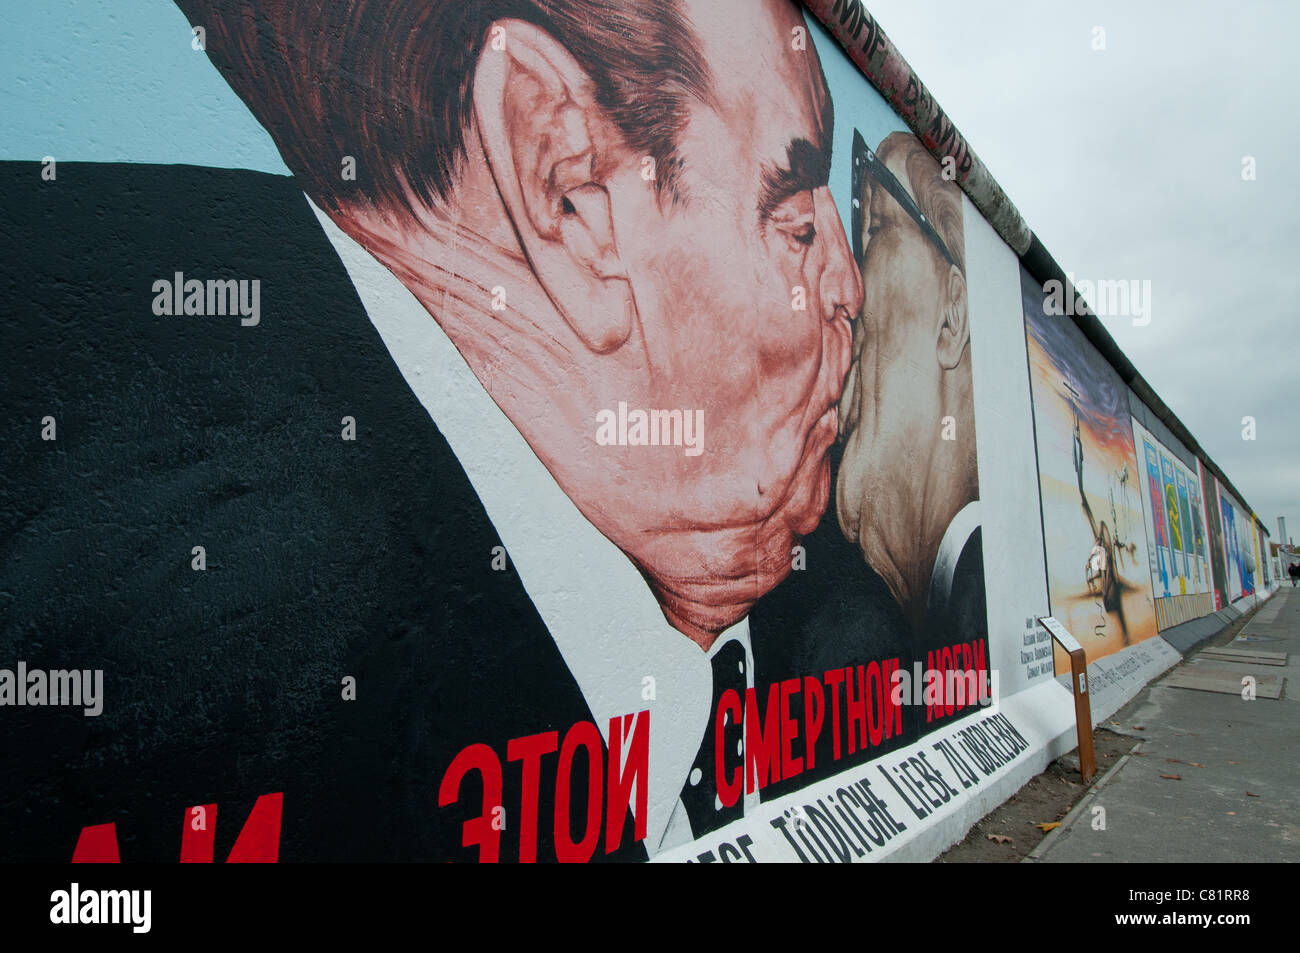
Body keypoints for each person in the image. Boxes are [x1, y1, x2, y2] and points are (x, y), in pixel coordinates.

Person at [0, 0, 862, 861]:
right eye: (793, 223)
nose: (849, 289)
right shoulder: (190, 620)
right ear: (563, 185)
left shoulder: (820, 604)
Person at [834, 130, 989, 728]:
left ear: (952, 316)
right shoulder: (857, 614)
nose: (847, 284)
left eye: (874, 231)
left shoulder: (977, 590)